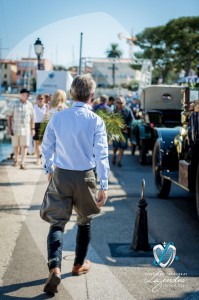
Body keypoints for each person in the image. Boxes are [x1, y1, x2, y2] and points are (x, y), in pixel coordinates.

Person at [41, 74, 110, 295]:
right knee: (84, 220)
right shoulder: (96, 121)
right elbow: (102, 155)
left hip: (62, 174)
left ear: (71, 93)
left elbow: (46, 146)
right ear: (92, 96)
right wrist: (104, 184)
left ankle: (55, 267)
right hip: (86, 176)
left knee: (57, 222)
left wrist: (48, 169)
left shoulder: (59, 117)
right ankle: (79, 263)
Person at [7, 88, 35, 170]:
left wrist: (32, 128)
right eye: (26, 94)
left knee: (25, 146)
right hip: (15, 128)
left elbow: (32, 117)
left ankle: (22, 162)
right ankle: (16, 160)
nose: (27, 96)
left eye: (28, 95)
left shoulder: (30, 105)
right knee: (16, 146)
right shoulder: (14, 104)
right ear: (21, 95)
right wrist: (9, 128)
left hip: (26, 129)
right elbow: (9, 116)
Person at [112, 96, 133, 167]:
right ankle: (114, 155)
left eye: (120, 103)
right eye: (118, 102)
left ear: (124, 103)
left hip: (124, 131)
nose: (119, 104)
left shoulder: (128, 110)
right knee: (115, 146)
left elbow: (132, 119)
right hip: (116, 131)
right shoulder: (114, 110)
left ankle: (119, 160)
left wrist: (128, 126)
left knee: (122, 147)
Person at [33, 94, 48, 165]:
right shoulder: (34, 107)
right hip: (36, 125)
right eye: (39, 98)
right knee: (37, 143)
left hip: (44, 125)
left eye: (41, 98)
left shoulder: (47, 107)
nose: (40, 100)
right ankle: (38, 158)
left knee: (44, 144)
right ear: (37, 99)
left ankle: (44, 158)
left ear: (44, 99)